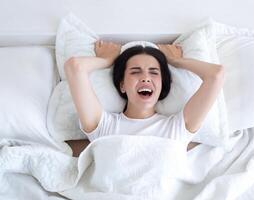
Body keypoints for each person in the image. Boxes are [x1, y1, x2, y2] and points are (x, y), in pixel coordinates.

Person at [65, 40, 224, 157]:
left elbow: (216, 75)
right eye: (135, 72)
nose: (146, 78)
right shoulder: (104, 126)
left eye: (154, 72)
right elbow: (75, 67)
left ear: (162, 85)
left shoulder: (178, 127)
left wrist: (176, 61)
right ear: (122, 85)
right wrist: (107, 60)